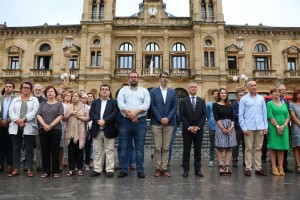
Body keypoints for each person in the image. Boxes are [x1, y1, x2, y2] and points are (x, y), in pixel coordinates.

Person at [117, 70, 150, 179]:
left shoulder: (144, 91)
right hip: (125, 122)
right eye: (131, 77)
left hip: (140, 122)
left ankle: (140, 170)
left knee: (139, 148)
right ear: (128, 79)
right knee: (124, 147)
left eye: (135, 77)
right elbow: (120, 104)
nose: (133, 78)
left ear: (138, 79)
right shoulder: (122, 91)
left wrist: (135, 113)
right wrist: (130, 115)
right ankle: (124, 170)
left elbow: (146, 105)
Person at [8, 81, 39, 177]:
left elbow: (34, 112)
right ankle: (16, 168)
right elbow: (11, 111)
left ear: (30, 90)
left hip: (28, 126)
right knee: (16, 148)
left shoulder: (34, 100)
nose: (26, 89)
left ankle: (29, 168)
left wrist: (24, 119)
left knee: (29, 148)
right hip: (15, 126)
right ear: (21, 89)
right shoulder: (15, 100)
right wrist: (17, 120)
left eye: (28, 88)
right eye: (24, 87)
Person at [150, 72, 178, 177]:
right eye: (163, 77)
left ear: (168, 79)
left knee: (166, 147)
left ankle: (164, 168)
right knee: (157, 147)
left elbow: (175, 106)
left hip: (169, 123)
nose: (165, 79)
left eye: (166, 77)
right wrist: (160, 118)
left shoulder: (173, 92)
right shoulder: (153, 91)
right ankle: (158, 168)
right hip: (156, 123)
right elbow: (152, 106)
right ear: (159, 79)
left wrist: (167, 118)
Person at [239, 81, 268, 176]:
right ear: (248, 87)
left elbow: (264, 113)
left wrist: (265, 126)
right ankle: (248, 168)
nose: (254, 87)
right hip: (248, 127)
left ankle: (258, 168)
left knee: (258, 148)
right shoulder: (244, 99)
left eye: (255, 85)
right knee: (248, 148)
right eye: (251, 85)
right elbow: (241, 115)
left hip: (260, 126)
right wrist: (243, 128)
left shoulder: (261, 98)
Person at [89, 84, 119, 178]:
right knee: (97, 151)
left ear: (109, 92)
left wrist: (105, 121)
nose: (104, 91)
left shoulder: (114, 102)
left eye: (106, 89)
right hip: (97, 129)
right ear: (100, 91)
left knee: (109, 150)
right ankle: (97, 169)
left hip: (109, 129)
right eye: (102, 89)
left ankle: (109, 170)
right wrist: (99, 121)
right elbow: (91, 113)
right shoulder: (95, 102)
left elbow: (114, 113)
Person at [180, 81, 206, 177]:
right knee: (186, 150)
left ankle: (197, 169)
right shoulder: (183, 101)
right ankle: (185, 169)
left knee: (198, 150)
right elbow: (181, 115)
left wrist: (198, 126)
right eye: (192, 87)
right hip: (187, 130)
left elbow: (204, 115)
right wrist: (189, 127)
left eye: (195, 87)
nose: (194, 88)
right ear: (189, 89)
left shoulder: (202, 101)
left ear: (197, 88)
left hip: (199, 130)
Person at [37, 86, 64, 178]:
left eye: (52, 91)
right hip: (43, 129)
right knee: (45, 151)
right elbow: (38, 115)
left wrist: (51, 125)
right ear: (46, 94)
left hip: (55, 130)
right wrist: (44, 125)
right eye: (48, 91)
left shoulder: (59, 104)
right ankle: (46, 171)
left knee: (55, 150)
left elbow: (60, 116)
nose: (50, 93)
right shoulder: (42, 104)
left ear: (55, 93)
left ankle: (56, 171)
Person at [63, 91, 90, 177]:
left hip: (80, 132)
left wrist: (79, 117)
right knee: (71, 151)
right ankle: (71, 169)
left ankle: (79, 169)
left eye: (75, 96)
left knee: (80, 151)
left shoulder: (84, 107)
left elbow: (88, 118)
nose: (74, 98)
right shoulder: (68, 107)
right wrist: (69, 114)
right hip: (70, 132)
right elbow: (64, 118)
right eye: (72, 96)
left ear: (79, 98)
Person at [267, 86, 290, 176]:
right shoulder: (269, 104)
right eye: (274, 92)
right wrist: (277, 126)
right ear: (271, 94)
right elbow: (270, 115)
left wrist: (284, 125)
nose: (276, 93)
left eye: (278, 92)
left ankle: (281, 166)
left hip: (284, 127)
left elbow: (287, 116)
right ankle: (274, 166)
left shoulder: (284, 104)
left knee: (282, 147)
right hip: (273, 127)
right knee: (273, 147)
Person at [213, 88, 237, 175]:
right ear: (219, 94)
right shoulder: (215, 105)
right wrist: (222, 128)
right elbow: (216, 117)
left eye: (225, 93)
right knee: (219, 147)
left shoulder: (229, 105)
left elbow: (233, 117)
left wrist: (231, 127)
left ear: (227, 95)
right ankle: (221, 167)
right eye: (222, 93)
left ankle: (227, 167)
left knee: (229, 148)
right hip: (220, 126)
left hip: (230, 126)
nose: (223, 94)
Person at [0, 82, 16, 173]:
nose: (8, 88)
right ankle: (1, 163)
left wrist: (8, 120)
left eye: (10, 87)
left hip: (12, 124)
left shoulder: (16, 99)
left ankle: (10, 164)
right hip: (1, 125)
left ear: (13, 88)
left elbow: (16, 111)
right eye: (6, 86)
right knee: (1, 145)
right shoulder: (1, 99)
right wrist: (1, 120)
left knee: (10, 146)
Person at [277, 84, 293, 173]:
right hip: (276, 126)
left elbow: (288, 114)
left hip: (286, 126)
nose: (284, 91)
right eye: (282, 89)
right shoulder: (271, 101)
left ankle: (284, 165)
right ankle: (275, 165)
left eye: (285, 89)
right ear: (278, 90)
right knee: (276, 146)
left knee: (285, 146)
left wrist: (285, 124)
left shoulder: (286, 101)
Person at [33, 84, 47, 172]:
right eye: (36, 89)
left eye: (39, 90)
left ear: (42, 90)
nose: (38, 91)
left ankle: (40, 165)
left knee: (40, 147)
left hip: (41, 126)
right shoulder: (30, 99)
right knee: (29, 147)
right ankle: (30, 164)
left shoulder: (45, 101)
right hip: (29, 126)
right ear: (33, 90)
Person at [232, 89, 245, 167]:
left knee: (246, 145)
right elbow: (233, 115)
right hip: (237, 127)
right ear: (236, 96)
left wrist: (239, 115)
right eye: (240, 95)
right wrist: (241, 115)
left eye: (243, 95)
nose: (242, 96)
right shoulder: (233, 104)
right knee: (235, 145)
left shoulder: (246, 104)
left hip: (246, 128)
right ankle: (235, 160)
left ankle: (245, 161)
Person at [289, 87, 300, 174]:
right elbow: (293, 116)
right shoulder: (292, 104)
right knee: (297, 146)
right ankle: (298, 165)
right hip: (296, 127)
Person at [206, 89, 218, 167]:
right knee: (212, 144)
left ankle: (221, 160)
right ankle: (211, 159)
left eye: (217, 93)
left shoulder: (223, 104)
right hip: (212, 126)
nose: (216, 95)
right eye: (214, 94)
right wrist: (211, 120)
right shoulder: (209, 104)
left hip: (222, 127)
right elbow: (207, 115)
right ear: (212, 95)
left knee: (221, 145)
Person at [84, 92, 95, 171]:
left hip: (94, 127)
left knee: (93, 145)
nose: (90, 97)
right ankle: (86, 160)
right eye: (88, 96)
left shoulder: (95, 106)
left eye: (91, 96)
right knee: (86, 145)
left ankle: (92, 159)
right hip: (86, 127)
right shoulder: (85, 106)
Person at [62, 91, 72, 167]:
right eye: (66, 95)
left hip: (70, 125)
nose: (68, 96)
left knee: (69, 142)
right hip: (62, 125)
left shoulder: (72, 105)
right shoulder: (61, 105)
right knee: (63, 142)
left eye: (69, 95)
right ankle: (64, 157)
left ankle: (68, 157)